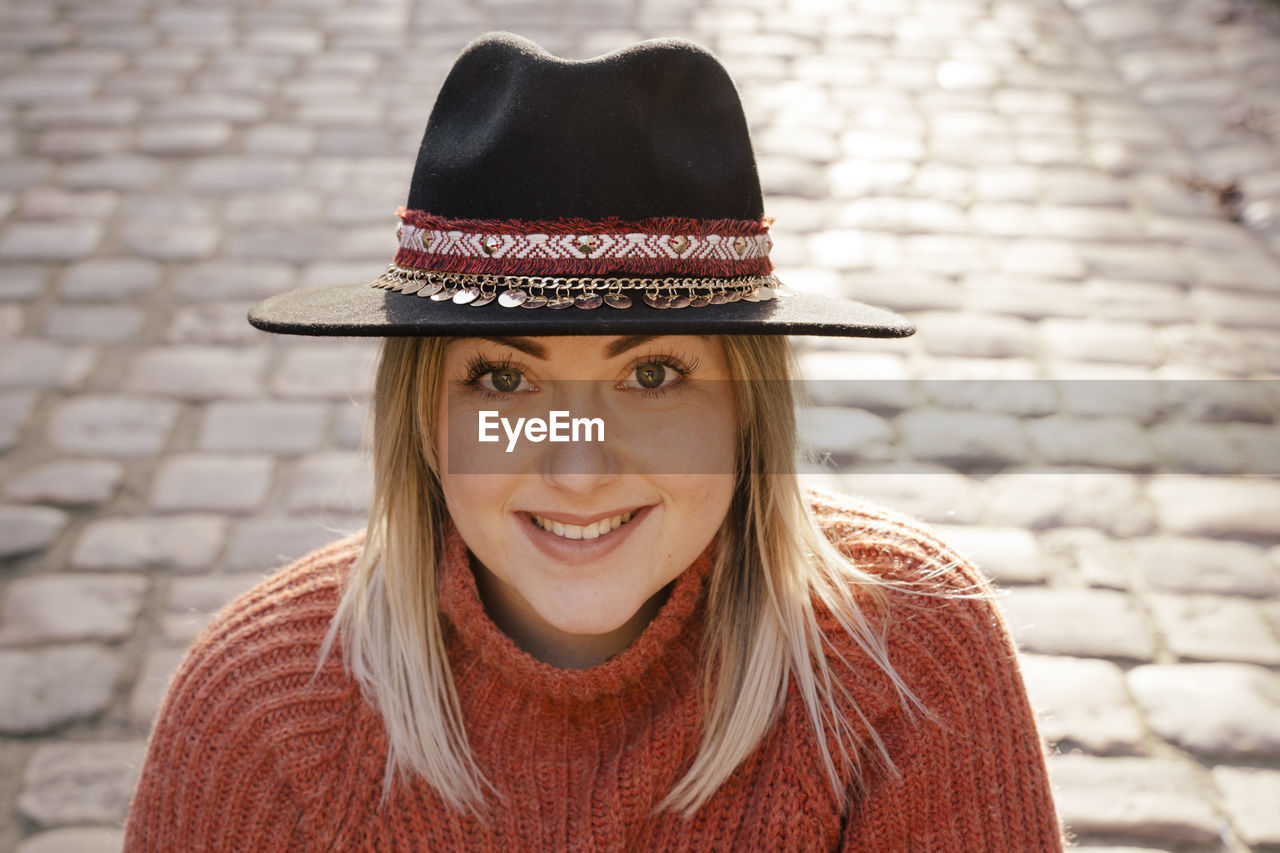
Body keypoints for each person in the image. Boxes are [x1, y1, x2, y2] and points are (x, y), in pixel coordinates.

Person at [124, 32, 1063, 851]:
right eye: (504, 377)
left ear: (749, 407)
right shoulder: (258, 709)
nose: (577, 468)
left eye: (651, 377)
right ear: (422, 415)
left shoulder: (911, 657)